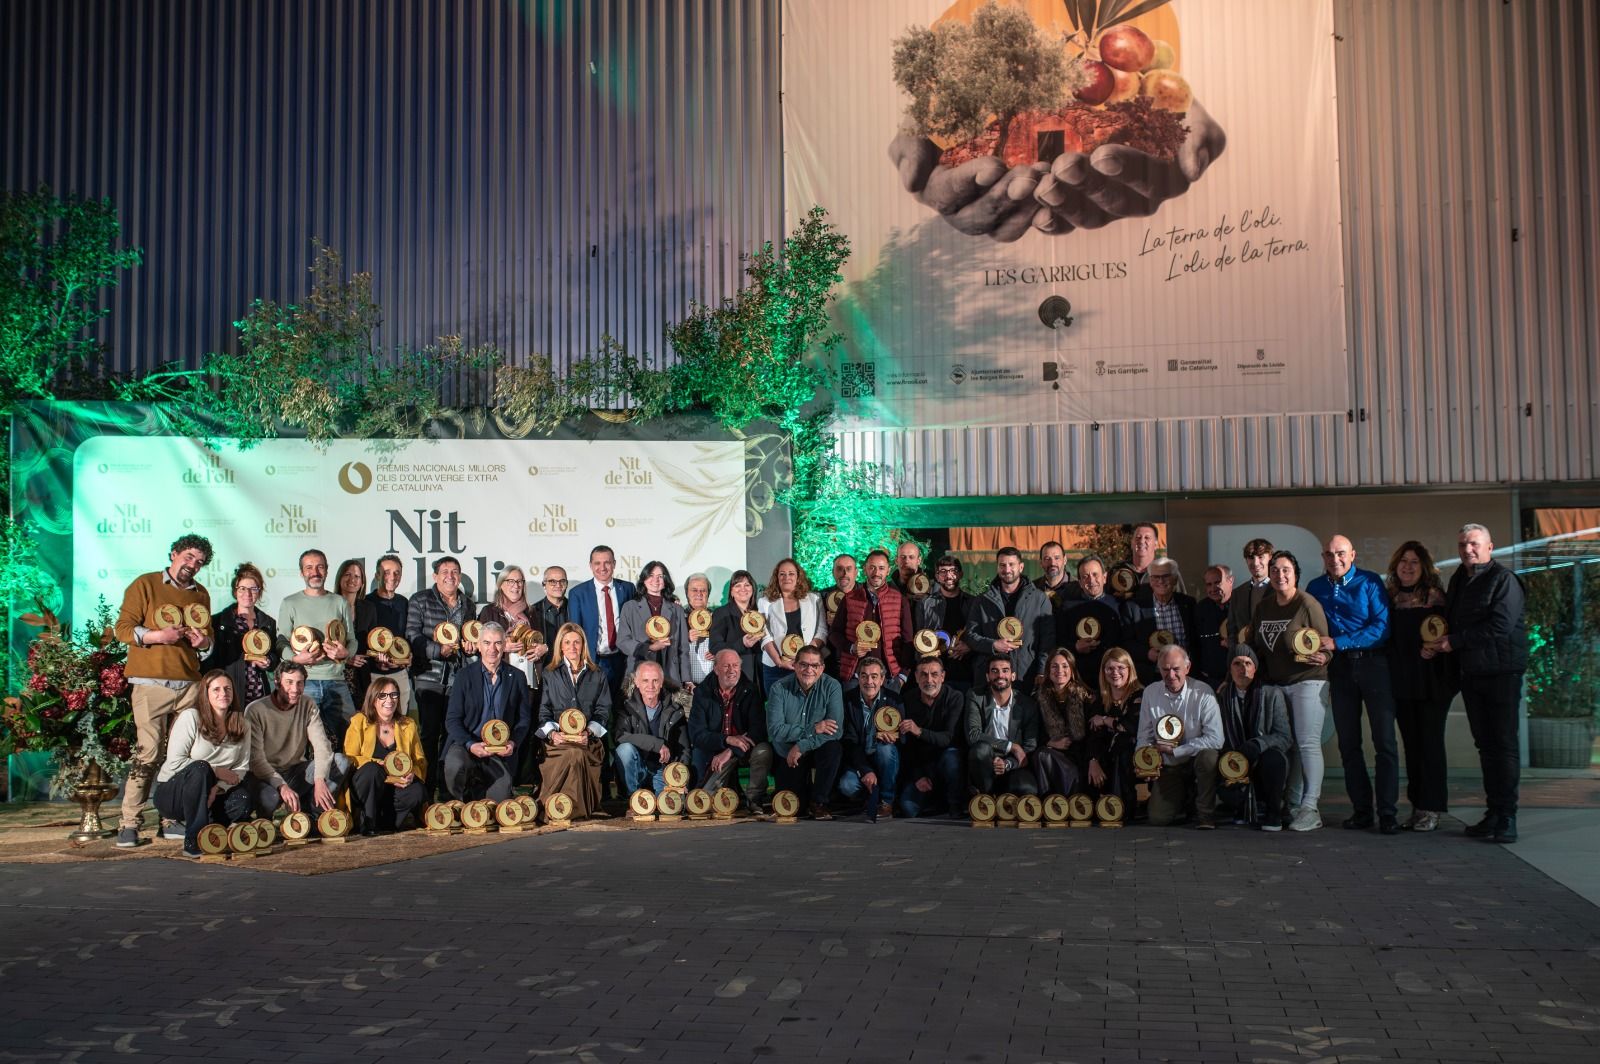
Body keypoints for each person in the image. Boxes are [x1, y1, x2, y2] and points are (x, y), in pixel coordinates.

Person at [113, 533, 215, 847]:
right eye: (189, 557)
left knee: (182, 756)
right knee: (148, 753)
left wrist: (204, 642)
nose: (192, 565)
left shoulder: (201, 594)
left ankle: (170, 818)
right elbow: (122, 629)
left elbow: (208, 639)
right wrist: (158, 636)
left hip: (189, 684)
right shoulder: (145, 584)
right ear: (173, 554)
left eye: (199, 562)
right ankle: (129, 823)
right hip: (150, 683)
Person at [1438, 523, 1527, 844]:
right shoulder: (1459, 579)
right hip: (1473, 673)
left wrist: (1456, 642)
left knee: (1503, 746)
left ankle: (1507, 817)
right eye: (1463, 545)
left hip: (1502, 674)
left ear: (1490, 547)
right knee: (1486, 747)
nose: (1468, 549)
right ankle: (1494, 812)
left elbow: (1501, 625)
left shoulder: (1504, 580)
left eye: (1474, 544)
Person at [1307, 534, 1400, 834]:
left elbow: (1381, 629)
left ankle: (1387, 813)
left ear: (1352, 555)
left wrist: (1338, 642)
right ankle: (1362, 812)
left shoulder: (1370, 582)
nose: (1335, 559)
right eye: (1329, 554)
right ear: (1323, 557)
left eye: (1341, 553)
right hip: (1340, 670)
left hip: (1374, 666)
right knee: (1348, 744)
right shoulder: (1315, 588)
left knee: (1385, 743)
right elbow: (1309, 630)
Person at [1249, 550, 1331, 832]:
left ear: (1295, 574)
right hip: (1276, 685)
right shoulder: (1264, 607)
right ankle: (1292, 804)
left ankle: (1311, 808)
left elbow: (1324, 644)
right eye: (1275, 570)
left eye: (1286, 570)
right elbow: (1256, 646)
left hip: (1308, 680)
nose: (1280, 575)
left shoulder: (1307, 604)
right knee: (1288, 745)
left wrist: (1325, 656)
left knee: (1307, 743)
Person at [1385, 541, 1455, 832]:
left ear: (1424, 566)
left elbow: (1447, 634)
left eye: (1414, 562)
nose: (1408, 567)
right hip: (1402, 683)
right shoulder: (1389, 597)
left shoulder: (1435, 596)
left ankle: (1433, 808)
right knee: (1412, 746)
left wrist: (1436, 647)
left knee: (1430, 745)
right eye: (1404, 561)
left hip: (1431, 681)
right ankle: (1417, 807)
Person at [153, 670, 252, 857]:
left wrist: (217, 788)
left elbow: (241, 767)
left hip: (212, 794)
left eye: (227, 689)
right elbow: (175, 761)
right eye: (216, 689)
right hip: (174, 794)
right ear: (205, 694)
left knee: (243, 799)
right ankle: (194, 840)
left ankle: (211, 831)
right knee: (201, 767)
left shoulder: (242, 723)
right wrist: (217, 772)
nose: (223, 693)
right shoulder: (191, 717)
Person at [406, 556, 477, 800]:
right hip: (429, 677)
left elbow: (470, 637)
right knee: (428, 735)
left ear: (460, 576)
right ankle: (425, 795)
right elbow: (412, 635)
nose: (450, 576)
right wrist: (438, 651)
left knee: (452, 735)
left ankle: (448, 794)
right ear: (435, 576)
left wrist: (471, 647)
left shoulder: (468, 604)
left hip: (458, 679)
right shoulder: (420, 600)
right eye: (445, 571)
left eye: (455, 571)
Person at [245, 661, 349, 821]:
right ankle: (264, 823)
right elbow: (256, 761)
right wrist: (282, 786)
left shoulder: (308, 704)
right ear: (277, 682)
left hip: (294, 772)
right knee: (271, 797)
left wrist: (320, 779)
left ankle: (314, 816)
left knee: (340, 761)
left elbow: (322, 746)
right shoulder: (255, 710)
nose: (295, 689)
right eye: (289, 682)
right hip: (264, 777)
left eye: (300, 683)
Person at [1137, 645, 1224, 828]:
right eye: (1165, 669)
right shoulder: (1150, 692)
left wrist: (1177, 750)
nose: (1171, 675)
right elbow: (1144, 736)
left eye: (1176, 669)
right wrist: (1144, 761)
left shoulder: (1203, 692)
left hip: (1196, 760)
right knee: (1158, 819)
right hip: (1169, 766)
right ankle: (1184, 800)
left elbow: (1216, 739)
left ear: (1187, 667)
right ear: (1159, 669)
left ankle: (1205, 815)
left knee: (1209, 757)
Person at [276, 549, 355, 748]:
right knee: (298, 742)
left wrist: (346, 653)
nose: (315, 572)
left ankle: (346, 770)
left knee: (352, 739)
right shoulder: (289, 603)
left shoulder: (340, 602)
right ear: (301, 572)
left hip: (336, 680)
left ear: (327, 570)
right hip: (303, 683)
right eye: (309, 568)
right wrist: (295, 659)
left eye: (320, 567)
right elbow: (280, 642)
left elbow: (352, 640)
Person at [443, 622, 529, 802]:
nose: (492, 649)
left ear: (504, 646)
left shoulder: (517, 677)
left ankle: (479, 791)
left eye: (498, 643)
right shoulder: (464, 676)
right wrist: (470, 744)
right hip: (467, 745)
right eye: (487, 643)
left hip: (499, 750)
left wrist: (513, 742)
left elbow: (523, 719)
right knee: (455, 766)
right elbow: (452, 720)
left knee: (499, 802)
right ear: (479, 646)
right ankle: (459, 802)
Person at [1211, 645, 1293, 831]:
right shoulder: (1222, 696)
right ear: (1230, 669)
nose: (1243, 668)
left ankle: (1273, 813)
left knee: (1274, 759)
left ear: (1255, 668)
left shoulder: (1272, 694)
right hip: (1234, 759)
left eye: (1248, 663)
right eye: (1237, 663)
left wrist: (1258, 744)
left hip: (1262, 759)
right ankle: (1240, 806)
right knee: (1215, 762)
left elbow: (1285, 737)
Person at [538, 622, 614, 819]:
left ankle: (570, 810)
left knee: (578, 752)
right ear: (560, 646)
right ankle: (558, 808)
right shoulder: (549, 673)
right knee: (573, 753)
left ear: (583, 645)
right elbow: (543, 712)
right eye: (567, 642)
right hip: (557, 742)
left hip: (587, 741)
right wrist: (553, 734)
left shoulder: (597, 674)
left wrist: (588, 733)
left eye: (577, 642)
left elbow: (603, 711)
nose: (572, 647)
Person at [688, 648, 773, 815]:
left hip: (742, 748)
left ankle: (754, 799)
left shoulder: (751, 690)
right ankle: (730, 793)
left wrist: (730, 750)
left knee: (764, 750)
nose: (732, 670)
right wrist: (726, 740)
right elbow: (697, 735)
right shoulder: (702, 692)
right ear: (716, 669)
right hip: (714, 749)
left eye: (735, 665)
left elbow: (759, 730)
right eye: (726, 666)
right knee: (703, 805)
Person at [766, 645, 844, 820]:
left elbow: (835, 731)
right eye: (803, 664)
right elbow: (776, 731)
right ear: (794, 665)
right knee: (795, 808)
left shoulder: (832, 686)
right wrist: (813, 728)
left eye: (814, 665)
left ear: (822, 668)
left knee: (833, 748)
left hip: (815, 747)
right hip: (788, 750)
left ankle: (819, 803)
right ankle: (805, 796)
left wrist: (802, 745)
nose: (809, 670)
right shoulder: (779, 688)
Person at [344, 676, 427, 834]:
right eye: (383, 695)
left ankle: (389, 824)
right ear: (373, 699)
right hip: (367, 785)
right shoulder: (359, 721)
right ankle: (367, 822)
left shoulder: (408, 724)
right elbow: (349, 757)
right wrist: (378, 763)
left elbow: (419, 760)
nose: (389, 700)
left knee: (418, 791)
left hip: (395, 786)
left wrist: (412, 773)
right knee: (372, 770)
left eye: (394, 695)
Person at [965, 547, 1052, 687]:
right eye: (1002, 565)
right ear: (997, 567)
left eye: (1011, 564)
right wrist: (993, 645)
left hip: (1026, 675)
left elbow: (1047, 641)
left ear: (1021, 567)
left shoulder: (1039, 599)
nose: (1007, 570)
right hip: (991, 677)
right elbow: (970, 636)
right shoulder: (982, 600)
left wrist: (1042, 672)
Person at [828, 550, 913, 688]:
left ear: (888, 570)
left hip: (889, 676)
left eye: (881, 568)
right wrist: (851, 648)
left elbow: (908, 639)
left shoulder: (899, 599)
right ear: (865, 569)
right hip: (854, 675)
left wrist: (903, 675)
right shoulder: (850, 598)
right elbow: (834, 633)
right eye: (872, 567)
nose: (876, 572)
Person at [895, 657, 966, 818]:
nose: (929, 680)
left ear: (943, 676)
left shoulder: (955, 697)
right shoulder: (908, 699)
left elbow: (948, 738)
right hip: (922, 764)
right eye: (924, 674)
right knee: (908, 809)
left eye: (934, 674)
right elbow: (907, 745)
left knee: (952, 756)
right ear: (916, 677)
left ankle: (955, 805)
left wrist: (919, 731)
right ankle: (935, 800)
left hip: (946, 759)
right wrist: (918, 776)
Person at [566, 545, 637, 708]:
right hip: (593, 659)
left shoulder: (628, 588)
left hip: (622, 658)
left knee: (622, 705)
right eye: (597, 563)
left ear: (614, 564)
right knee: (595, 706)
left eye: (607, 562)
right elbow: (575, 631)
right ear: (590, 565)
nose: (602, 567)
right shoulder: (578, 593)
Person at [964, 656, 1041, 799]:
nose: (1000, 675)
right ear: (988, 676)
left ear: (1013, 676)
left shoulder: (1028, 704)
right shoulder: (976, 696)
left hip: (1012, 764)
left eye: (1005, 671)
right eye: (994, 671)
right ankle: (986, 799)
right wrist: (1011, 746)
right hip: (985, 764)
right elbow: (973, 735)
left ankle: (1002, 797)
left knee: (1026, 789)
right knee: (980, 750)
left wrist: (1007, 763)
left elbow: (1030, 746)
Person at [206, 562, 277, 711]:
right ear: (235, 591)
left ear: (259, 592)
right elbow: (210, 661)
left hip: (259, 692)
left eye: (253, 589)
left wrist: (268, 661)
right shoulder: (218, 621)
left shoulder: (268, 623)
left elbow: (274, 656)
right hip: (229, 693)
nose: (248, 594)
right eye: (242, 588)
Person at [836, 658, 900, 818]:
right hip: (860, 759)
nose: (869, 681)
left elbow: (903, 738)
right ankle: (868, 798)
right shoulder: (848, 700)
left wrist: (894, 737)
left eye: (874, 676)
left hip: (885, 759)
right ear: (858, 678)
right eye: (864, 676)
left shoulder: (894, 699)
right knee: (847, 786)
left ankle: (886, 801)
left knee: (886, 750)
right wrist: (865, 770)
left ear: (882, 679)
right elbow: (849, 742)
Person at [613, 661, 687, 796]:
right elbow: (620, 736)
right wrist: (656, 744)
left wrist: (682, 778)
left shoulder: (675, 708)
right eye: (645, 681)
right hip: (637, 768)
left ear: (662, 682)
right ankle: (632, 797)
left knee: (672, 804)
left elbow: (684, 748)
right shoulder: (626, 706)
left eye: (655, 681)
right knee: (624, 750)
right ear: (637, 682)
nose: (651, 686)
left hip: (662, 771)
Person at [617, 560, 693, 689]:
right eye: (651, 575)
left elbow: (683, 648)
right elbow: (622, 641)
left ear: (666, 581)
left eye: (660, 576)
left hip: (670, 673)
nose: (655, 580)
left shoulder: (677, 609)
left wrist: (687, 679)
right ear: (644, 579)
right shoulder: (630, 607)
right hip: (638, 670)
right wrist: (650, 647)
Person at [1056, 554, 1128, 686]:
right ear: (1080, 582)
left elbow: (1126, 641)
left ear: (1104, 577)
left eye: (1095, 574)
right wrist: (1075, 647)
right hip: (1078, 678)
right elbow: (1059, 642)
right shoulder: (1067, 608)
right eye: (1085, 576)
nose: (1091, 580)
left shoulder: (1119, 606)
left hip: (1112, 677)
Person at [1085, 648, 1142, 814]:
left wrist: (1104, 720)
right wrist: (1093, 760)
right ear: (1103, 672)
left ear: (1129, 669)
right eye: (1109, 668)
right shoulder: (1100, 699)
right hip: (1106, 755)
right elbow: (1093, 735)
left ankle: (1124, 807)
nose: (1115, 672)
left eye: (1120, 667)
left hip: (1133, 756)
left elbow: (1131, 727)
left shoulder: (1140, 695)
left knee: (1123, 746)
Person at [1127, 558, 1198, 687]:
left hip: (1186, 678)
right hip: (1151, 679)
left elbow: (1196, 640)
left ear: (1175, 579)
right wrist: (1147, 653)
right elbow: (1126, 642)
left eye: (1166, 576)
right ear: (1150, 581)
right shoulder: (1134, 607)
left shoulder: (1188, 604)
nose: (1160, 581)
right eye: (1155, 577)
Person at [758, 558, 826, 692]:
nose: (786, 577)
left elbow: (822, 631)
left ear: (798, 576)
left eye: (791, 573)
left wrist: (805, 658)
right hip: (775, 667)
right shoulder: (764, 602)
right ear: (777, 577)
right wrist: (779, 662)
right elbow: (764, 635)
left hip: (808, 668)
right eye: (782, 574)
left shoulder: (814, 599)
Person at [1032, 649, 1090, 796]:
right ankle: (1048, 802)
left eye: (1065, 666)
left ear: (1072, 670)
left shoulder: (1085, 697)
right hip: (1052, 753)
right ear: (1048, 670)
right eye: (1054, 666)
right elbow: (1034, 732)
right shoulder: (1038, 698)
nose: (1060, 670)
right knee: (1042, 755)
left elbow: (1091, 735)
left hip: (1080, 755)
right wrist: (1051, 743)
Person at [915, 554, 974, 692]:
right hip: (934, 676)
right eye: (943, 571)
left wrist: (970, 646)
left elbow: (980, 634)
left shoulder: (973, 603)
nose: (948, 576)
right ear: (937, 576)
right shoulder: (925, 604)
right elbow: (917, 639)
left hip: (966, 673)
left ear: (960, 574)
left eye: (953, 571)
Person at [365, 555, 413, 715]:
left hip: (399, 674)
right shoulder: (365, 603)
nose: (392, 577)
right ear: (377, 575)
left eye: (397, 573)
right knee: (373, 723)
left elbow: (408, 637)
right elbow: (360, 641)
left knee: (400, 722)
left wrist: (408, 657)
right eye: (386, 572)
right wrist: (375, 659)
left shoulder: (404, 602)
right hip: (372, 676)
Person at [479, 565, 540, 689]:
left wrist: (542, 649)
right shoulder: (489, 611)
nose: (516, 585)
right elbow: (479, 645)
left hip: (528, 679)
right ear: (501, 584)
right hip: (499, 679)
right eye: (511, 581)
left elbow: (540, 640)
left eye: (519, 581)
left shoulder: (532, 612)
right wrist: (502, 647)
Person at [710, 570, 767, 687]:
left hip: (761, 672)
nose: (743, 589)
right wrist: (742, 643)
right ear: (731, 591)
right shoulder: (721, 613)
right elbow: (715, 647)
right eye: (738, 585)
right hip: (736, 673)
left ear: (752, 589)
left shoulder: (761, 613)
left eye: (747, 585)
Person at [333, 557, 376, 703]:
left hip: (362, 674)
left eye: (357, 576)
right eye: (347, 574)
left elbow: (372, 642)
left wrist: (381, 658)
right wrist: (347, 658)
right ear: (339, 578)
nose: (352, 579)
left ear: (362, 582)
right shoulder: (328, 605)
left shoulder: (369, 608)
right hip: (336, 673)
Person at [817, 554, 860, 678]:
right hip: (829, 662)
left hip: (857, 661)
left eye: (849, 569)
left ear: (856, 572)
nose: (844, 573)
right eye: (839, 569)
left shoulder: (866, 595)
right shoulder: (822, 597)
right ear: (833, 572)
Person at [1194, 564, 1234, 690]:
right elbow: (1195, 644)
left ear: (1230, 581)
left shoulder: (1241, 605)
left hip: (1238, 678)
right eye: (1209, 584)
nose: (1213, 588)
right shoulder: (1200, 609)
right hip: (1209, 681)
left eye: (1217, 583)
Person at [1229, 538, 1275, 643]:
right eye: (1251, 557)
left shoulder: (1281, 590)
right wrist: (1236, 649)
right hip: (1244, 651)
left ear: (1270, 558)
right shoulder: (1238, 593)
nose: (1255, 563)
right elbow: (1232, 630)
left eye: (1260, 557)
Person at [681, 573, 718, 688]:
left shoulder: (718, 617)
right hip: (687, 686)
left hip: (715, 684)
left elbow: (729, 646)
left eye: (703, 590)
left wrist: (719, 652)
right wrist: (686, 639)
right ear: (687, 593)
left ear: (708, 594)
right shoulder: (678, 617)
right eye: (694, 590)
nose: (699, 594)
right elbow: (669, 650)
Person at [1127, 522, 1162, 603]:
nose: (1142, 541)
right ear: (1132, 543)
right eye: (1138, 537)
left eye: (1147, 538)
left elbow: (1182, 603)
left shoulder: (1168, 572)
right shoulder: (1118, 570)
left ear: (1156, 544)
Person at [1034, 540, 1078, 605]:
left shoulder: (1079, 588)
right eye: (1047, 559)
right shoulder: (1033, 589)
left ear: (1065, 560)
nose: (1052, 563)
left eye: (1057, 558)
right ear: (1041, 563)